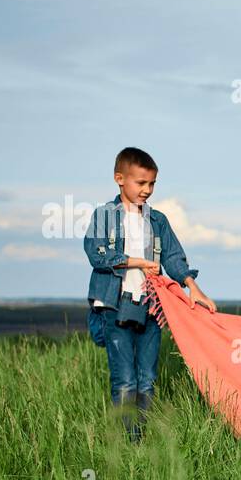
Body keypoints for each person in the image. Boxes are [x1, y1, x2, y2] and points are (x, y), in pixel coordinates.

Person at [82, 147, 217, 441]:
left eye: (152, 184)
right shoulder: (104, 215)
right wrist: (140, 263)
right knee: (126, 380)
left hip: (151, 307)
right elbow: (97, 253)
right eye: (140, 183)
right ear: (120, 179)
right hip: (114, 305)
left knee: (147, 379)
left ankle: (139, 437)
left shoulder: (158, 221)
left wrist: (193, 288)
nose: (147, 190)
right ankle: (127, 441)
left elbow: (173, 257)